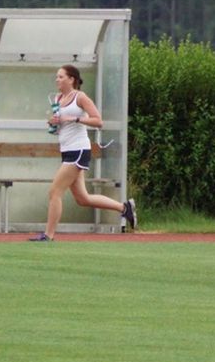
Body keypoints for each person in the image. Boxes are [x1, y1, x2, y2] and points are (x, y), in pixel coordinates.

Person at [29, 64, 137, 242]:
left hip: (79, 150)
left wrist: (74, 118)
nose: (57, 80)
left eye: (61, 77)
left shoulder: (80, 97)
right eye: (57, 77)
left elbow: (98, 121)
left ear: (72, 79)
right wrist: (54, 123)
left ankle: (48, 235)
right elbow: (62, 126)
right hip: (66, 150)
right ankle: (124, 208)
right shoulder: (57, 98)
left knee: (54, 192)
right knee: (83, 198)